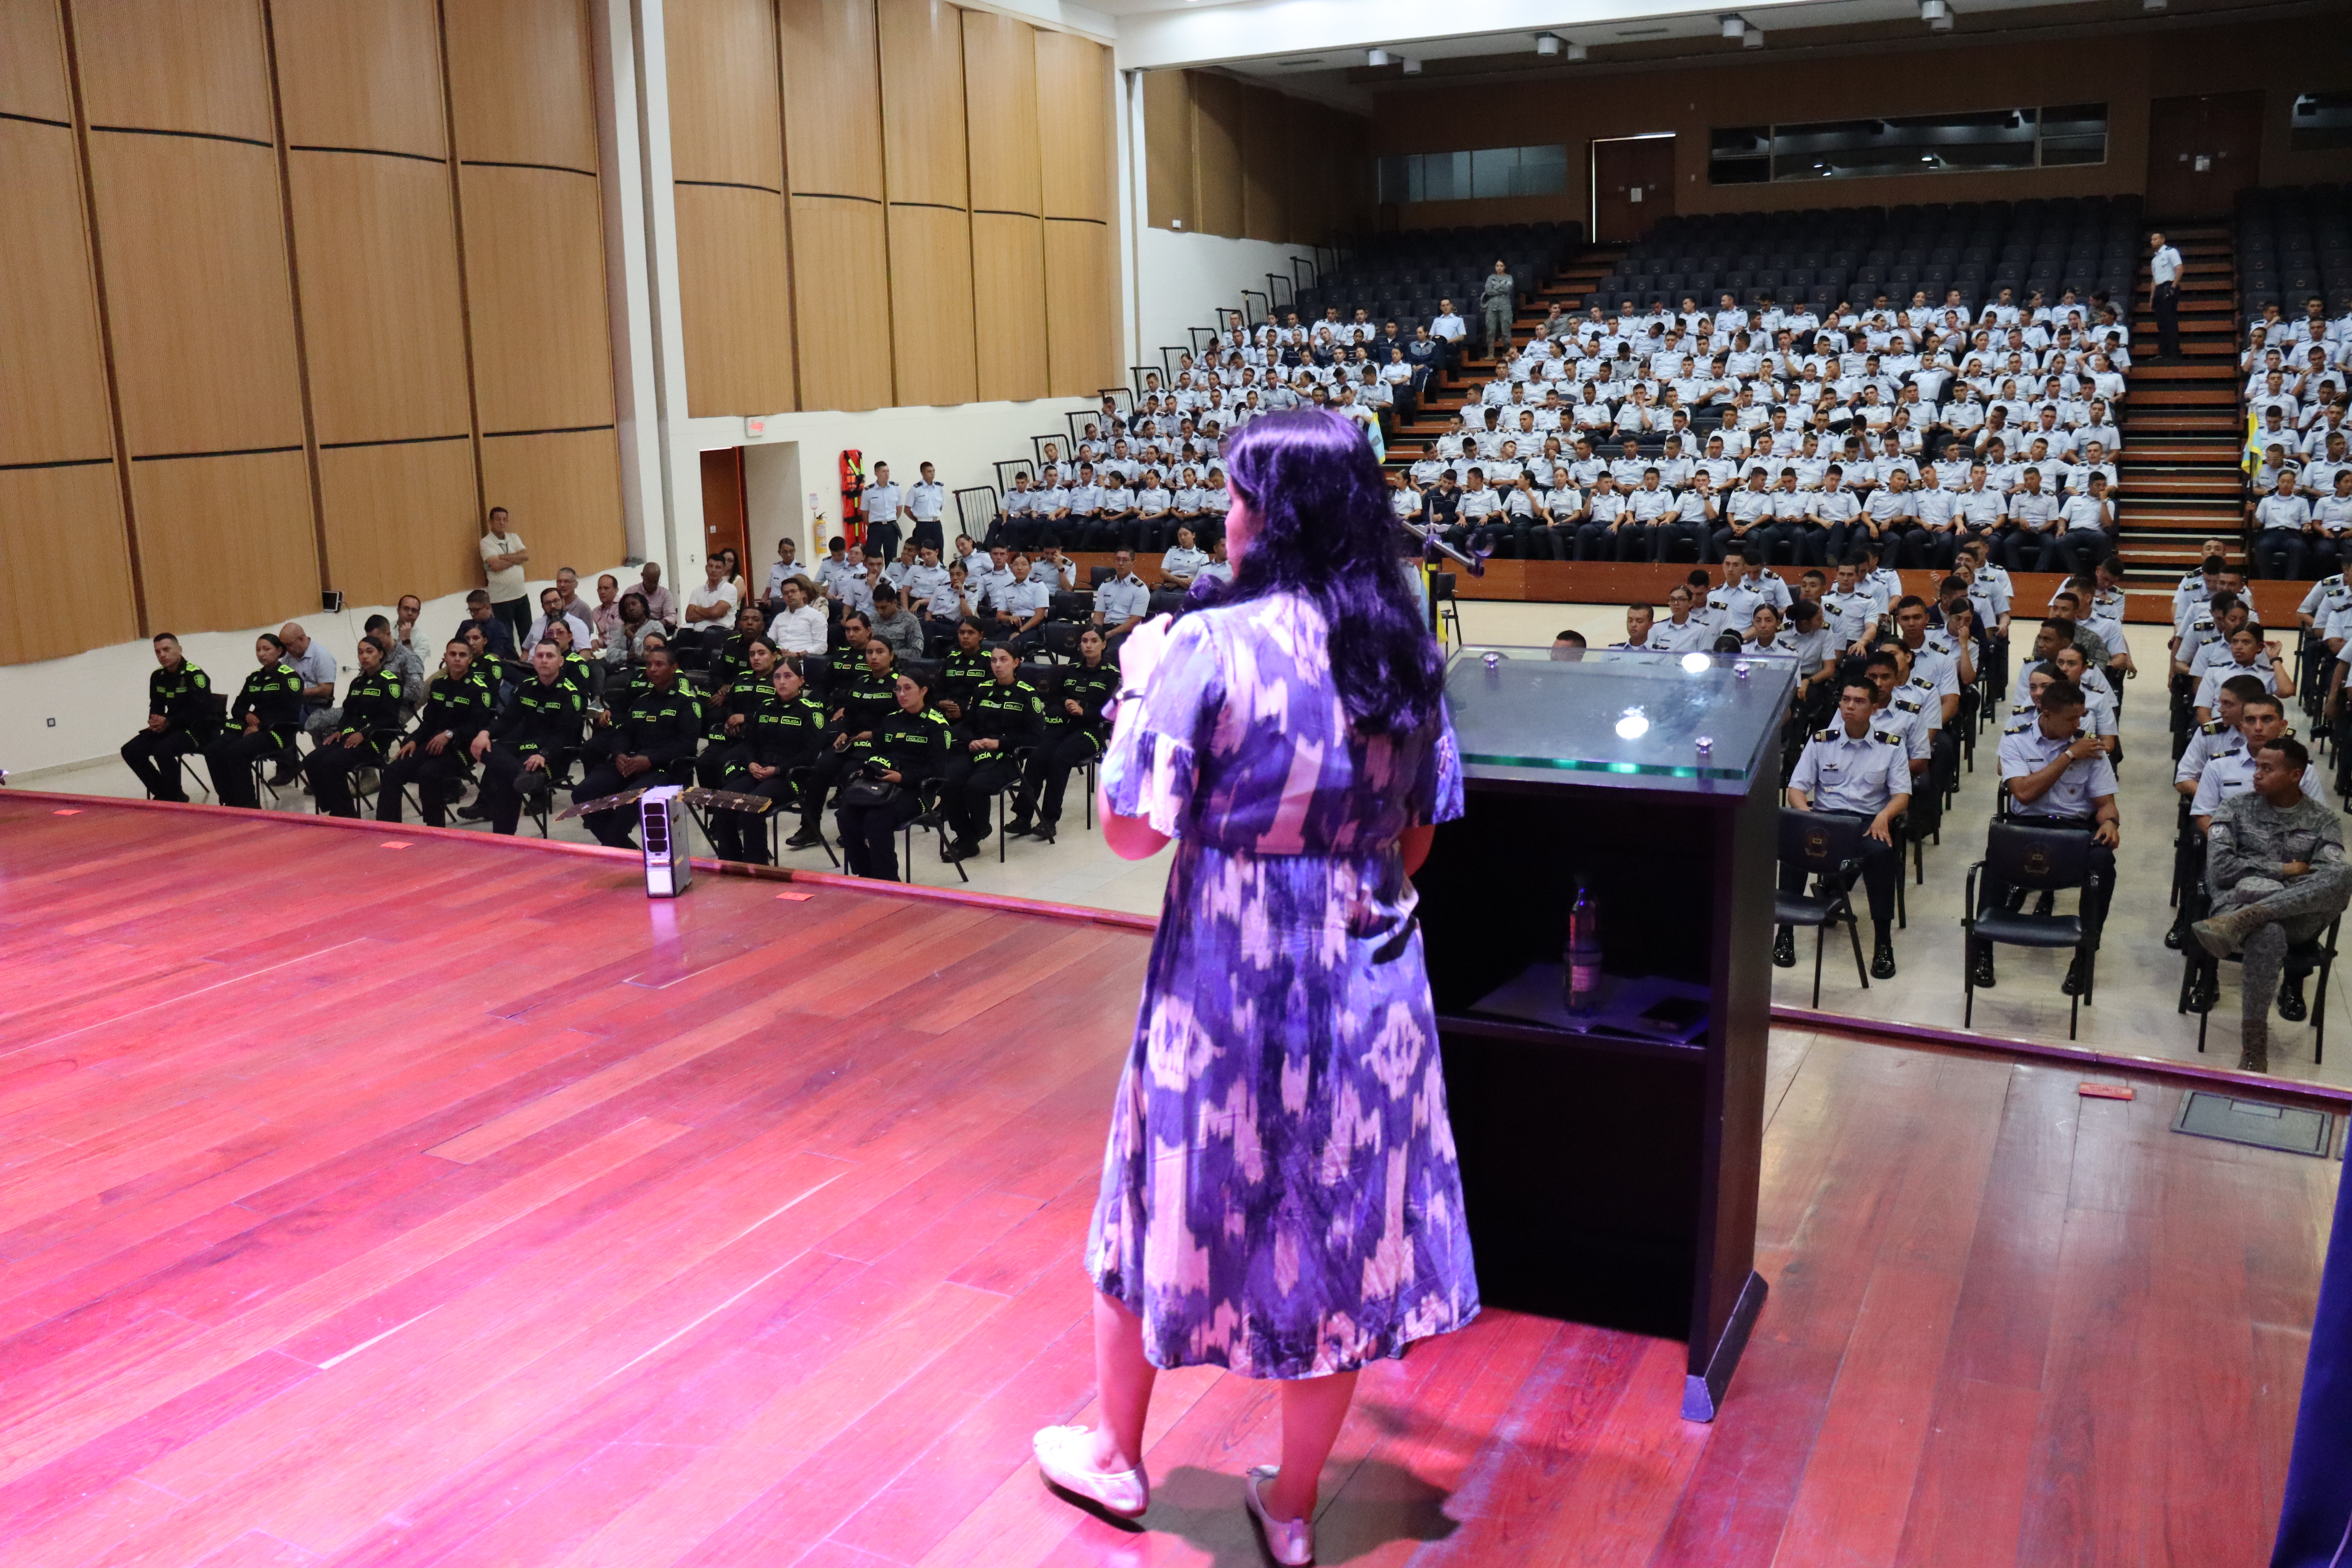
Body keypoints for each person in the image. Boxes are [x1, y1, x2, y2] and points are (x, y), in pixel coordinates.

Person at [1035, 412, 1475, 1564]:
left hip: (1220, 989)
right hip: (1364, 987)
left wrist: (1132, 689)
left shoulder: (1206, 645)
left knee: (1148, 1201)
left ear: (1272, 516)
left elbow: (1128, 833)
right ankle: (1292, 1508)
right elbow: (1417, 845)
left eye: (1236, 497)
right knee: (1332, 1229)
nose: (1223, 518)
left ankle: (1121, 1458)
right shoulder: (1400, 650)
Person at [2192, 738, 2352, 1071]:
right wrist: (2282, 870)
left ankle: (2253, 917)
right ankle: (2254, 1045)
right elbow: (2220, 871)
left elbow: (2328, 881)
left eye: (2268, 768)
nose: (2257, 774)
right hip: (2235, 904)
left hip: (2293, 920)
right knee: (2267, 933)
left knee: (2343, 875)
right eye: (2257, 767)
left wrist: (2270, 889)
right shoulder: (2234, 808)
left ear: (2296, 775)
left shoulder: (2323, 820)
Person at [1978, 679, 2119, 994]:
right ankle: (1982, 953)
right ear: (2046, 713)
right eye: (2071, 718)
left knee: (2104, 864)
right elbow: (2024, 793)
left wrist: (2110, 823)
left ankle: (2084, 956)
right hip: (2025, 827)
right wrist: (2068, 756)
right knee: (1993, 862)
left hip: (2072, 832)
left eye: (2081, 716)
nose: (2078, 724)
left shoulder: (2091, 747)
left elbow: (2106, 804)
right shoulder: (2017, 741)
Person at [1775, 676, 1912, 979]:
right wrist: (1806, 816)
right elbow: (1796, 789)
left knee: (1881, 854)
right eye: (1846, 700)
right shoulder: (1822, 741)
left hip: (1865, 823)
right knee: (1794, 843)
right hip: (1826, 822)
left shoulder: (1890, 746)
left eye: (1859, 701)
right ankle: (1785, 934)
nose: (1850, 707)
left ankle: (1883, 943)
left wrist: (1884, 816)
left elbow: (1903, 795)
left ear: (1874, 709)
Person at [572, 646, 701, 849]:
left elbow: (686, 745)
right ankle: (625, 850)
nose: (653, 669)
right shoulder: (640, 702)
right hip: (631, 764)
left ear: (674, 668)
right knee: (583, 794)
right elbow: (623, 733)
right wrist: (619, 754)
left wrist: (650, 759)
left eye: (659, 664)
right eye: (649, 664)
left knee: (628, 801)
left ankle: (612, 847)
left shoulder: (686, 702)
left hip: (665, 769)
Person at [710, 662, 828, 863]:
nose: (782, 682)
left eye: (788, 676)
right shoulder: (764, 708)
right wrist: (751, 763)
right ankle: (731, 862)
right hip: (759, 771)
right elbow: (750, 744)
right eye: (777, 677)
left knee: (751, 807)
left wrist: (778, 770)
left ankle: (757, 865)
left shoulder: (811, 712)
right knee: (723, 801)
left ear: (801, 681)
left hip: (789, 777)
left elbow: (810, 755)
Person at [1008, 624, 1114, 843]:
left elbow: (1113, 712)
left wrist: (1085, 711)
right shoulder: (1070, 669)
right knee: (1037, 758)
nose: (1088, 645)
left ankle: (1049, 820)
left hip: (1091, 730)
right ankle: (1023, 817)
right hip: (1062, 725)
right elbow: (1053, 697)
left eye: (1094, 641)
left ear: (1104, 645)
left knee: (1060, 759)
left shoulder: (1112, 675)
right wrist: (1065, 701)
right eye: (1085, 641)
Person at [376, 640, 496, 827]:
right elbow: (429, 724)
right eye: (453, 654)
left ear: (470, 660)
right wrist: (414, 741)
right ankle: (389, 827)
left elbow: (478, 727)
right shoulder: (439, 685)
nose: (457, 659)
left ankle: (435, 828)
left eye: (463, 655)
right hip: (433, 745)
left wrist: (450, 734)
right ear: (445, 658)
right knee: (393, 770)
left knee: (428, 773)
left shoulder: (478, 689)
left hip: (463, 749)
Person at [478, 640, 589, 835]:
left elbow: (565, 737)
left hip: (554, 756)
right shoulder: (526, 687)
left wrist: (543, 754)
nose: (544, 661)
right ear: (534, 661)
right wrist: (486, 733)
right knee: (485, 747)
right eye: (540, 656)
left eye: (550, 656)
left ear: (561, 661)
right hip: (525, 751)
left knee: (505, 777)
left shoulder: (571, 694)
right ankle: (522, 775)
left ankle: (504, 839)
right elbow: (507, 721)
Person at [941, 646, 1042, 861]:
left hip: (1007, 756)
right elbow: (967, 724)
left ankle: (978, 831)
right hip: (977, 751)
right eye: (994, 660)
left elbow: (1035, 738)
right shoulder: (982, 689)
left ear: (1016, 663)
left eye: (1004, 660)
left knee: (976, 786)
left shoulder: (1027, 694)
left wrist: (1000, 743)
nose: (998, 665)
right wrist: (971, 741)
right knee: (948, 781)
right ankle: (966, 837)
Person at [303, 636, 404, 818]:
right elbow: (348, 713)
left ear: (381, 654)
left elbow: (389, 719)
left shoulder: (390, 682)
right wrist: (339, 731)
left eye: (370, 652)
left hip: (373, 741)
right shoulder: (357, 683)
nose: (364, 656)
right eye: (361, 652)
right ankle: (334, 806)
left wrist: (364, 734)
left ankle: (346, 813)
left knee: (331, 763)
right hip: (349, 738)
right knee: (311, 760)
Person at [203, 634, 304, 810]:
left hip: (278, 732)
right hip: (253, 729)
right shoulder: (254, 678)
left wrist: (260, 726)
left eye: (267, 649)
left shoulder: (289, 678)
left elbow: (290, 713)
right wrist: (248, 716)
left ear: (279, 651)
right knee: (214, 749)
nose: (262, 654)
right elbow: (238, 708)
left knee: (236, 752)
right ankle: (229, 800)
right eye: (258, 650)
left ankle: (248, 804)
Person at [122, 633, 217, 802]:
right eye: (158, 652)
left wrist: (168, 722)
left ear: (179, 650)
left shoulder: (194, 675)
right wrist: (155, 721)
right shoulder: (157, 676)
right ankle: (166, 792)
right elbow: (156, 704)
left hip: (197, 729)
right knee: (130, 750)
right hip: (170, 726)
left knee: (163, 750)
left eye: (166, 650)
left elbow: (202, 711)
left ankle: (175, 797)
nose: (162, 655)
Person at [480, 506, 531, 646]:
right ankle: (511, 666)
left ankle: (529, 665)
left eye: (505, 520)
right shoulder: (486, 542)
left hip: (521, 595)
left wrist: (504, 557)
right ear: (491, 522)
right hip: (501, 599)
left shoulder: (514, 537)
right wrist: (516, 559)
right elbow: (496, 566)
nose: (502, 523)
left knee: (527, 635)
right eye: (498, 520)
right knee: (507, 636)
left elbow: (526, 556)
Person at [680, 556, 740, 657]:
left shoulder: (730, 589)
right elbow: (689, 617)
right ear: (706, 568)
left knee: (709, 634)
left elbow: (715, 612)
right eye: (711, 566)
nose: (714, 570)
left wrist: (698, 609)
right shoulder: (698, 591)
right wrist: (713, 614)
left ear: (724, 570)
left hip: (720, 632)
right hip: (698, 632)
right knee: (682, 634)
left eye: (718, 567)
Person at [2148, 230, 2183, 361]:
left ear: (2163, 240)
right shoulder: (2154, 259)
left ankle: (2174, 352)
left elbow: (2179, 268)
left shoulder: (2170, 252)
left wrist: (2174, 286)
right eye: (2151, 240)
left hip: (2168, 286)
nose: (2153, 242)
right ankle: (2164, 352)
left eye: (2155, 239)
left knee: (2170, 321)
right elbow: (2154, 279)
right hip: (2159, 289)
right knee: (2161, 324)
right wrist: (2151, 298)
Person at [1479, 259, 1515, 352]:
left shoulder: (1509, 277)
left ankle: (1508, 353)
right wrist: (1501, 288)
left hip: (1505, 307)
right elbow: (1488, 291)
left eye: (1501, 266)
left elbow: (1507, 289)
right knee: (1491, 331)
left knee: (1506, 331)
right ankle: (1490, 353)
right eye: (1497, 266)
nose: (1499, 268)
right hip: (1491, 307)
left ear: (1505, 267)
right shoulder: (1491, 278)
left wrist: (1495, 288)